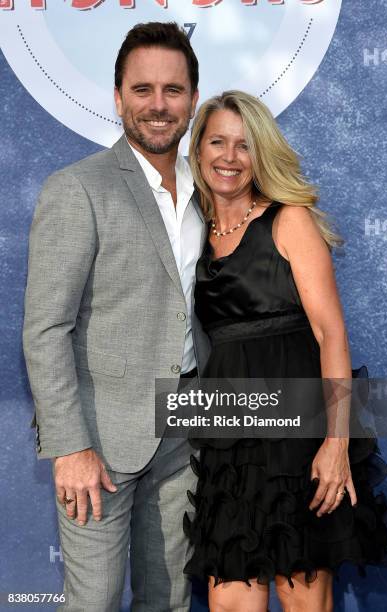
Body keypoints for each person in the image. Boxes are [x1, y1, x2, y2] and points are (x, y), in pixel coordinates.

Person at [23, 22, 210, 612]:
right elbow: (45, 328)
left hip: (186, 429)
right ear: (118, 96)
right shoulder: (78, 189)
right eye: (142, 89)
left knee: (171, 598)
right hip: (99, 441)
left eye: (173, 91)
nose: (158, 106)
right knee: (96, 602)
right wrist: (69, 446)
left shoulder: (211, 190)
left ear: (193, 100)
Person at [182, 91, 387, 612]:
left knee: (302, 598)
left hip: (301, 436)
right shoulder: (192, 232)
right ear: (198, 149)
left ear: (262, 154)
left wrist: (336, 443)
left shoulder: (289, 220)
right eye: (217, 142)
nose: (229, 157)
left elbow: (330, 334)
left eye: (244, 146)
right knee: (230, 598)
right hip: (232, 440)